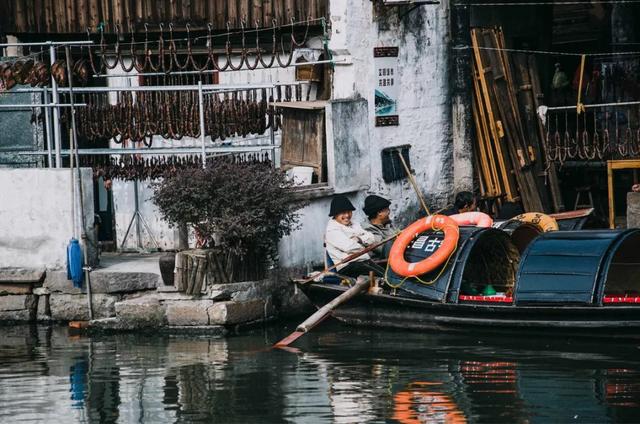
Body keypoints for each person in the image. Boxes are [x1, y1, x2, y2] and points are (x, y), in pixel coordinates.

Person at [325, 195, 385, 278]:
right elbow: (350, 247)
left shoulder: (354, 224)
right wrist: (364, 244)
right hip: (348, 266)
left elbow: (371, 237)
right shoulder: (332, 230)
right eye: (343, 213)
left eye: (349, 212)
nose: (347, 215)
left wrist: (359, 239)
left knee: (387, 276)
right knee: (382, 279)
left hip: (364, 260)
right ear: (335, 214)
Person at [361, 194, 397, 260]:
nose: (389, 212)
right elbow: (383, 249)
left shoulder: (387, 223)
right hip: (382, 263)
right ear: (379, 212)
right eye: (387, 210)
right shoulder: (367, 229)